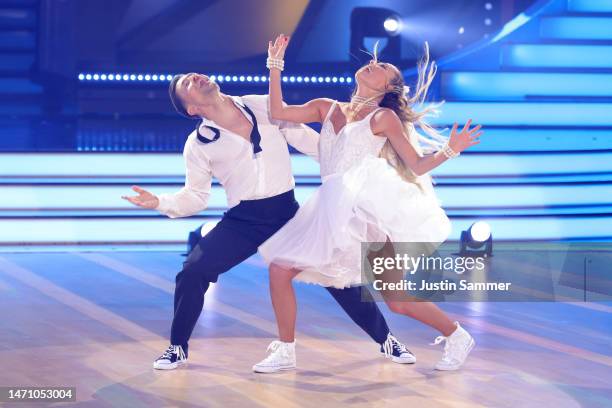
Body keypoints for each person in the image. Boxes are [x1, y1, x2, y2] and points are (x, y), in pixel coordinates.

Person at [122, 71, 416, 370]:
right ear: (191, 109)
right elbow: (195, 197)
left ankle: (387, 340)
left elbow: (319, 147)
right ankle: (177, 347)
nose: (195, 77)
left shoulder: (263, 105)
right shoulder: (198, 144)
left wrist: (362, 170)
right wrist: (158, 202)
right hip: (243, 221)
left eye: (194, 75)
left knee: (335, 275)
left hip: (288, 213)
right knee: (193, 270)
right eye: (186, 83)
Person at [254, 35, 482, 373]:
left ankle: (456, 334)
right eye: (375, 62)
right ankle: (286, 350)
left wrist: (450, 149)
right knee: (280, 269)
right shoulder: (325, 107)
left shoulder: (383, 118)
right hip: (331, 206)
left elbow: (416, 165)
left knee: (397, 300)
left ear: (388, 88)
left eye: (383, 68)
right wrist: (276, 65)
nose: (374, 64)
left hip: (367, 211)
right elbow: (277, 112)